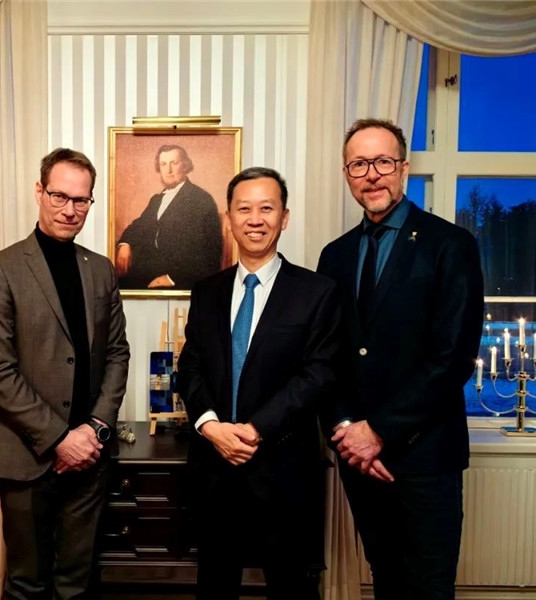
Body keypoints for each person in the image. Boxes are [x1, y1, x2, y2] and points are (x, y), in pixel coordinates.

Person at [316, 118, 484, 600]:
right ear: (347, 174)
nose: (372, 174)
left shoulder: (450, 245)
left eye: (383, 162)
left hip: (426, 458)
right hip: (361, 462)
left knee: (429, 589)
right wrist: (348, 432)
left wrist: (379, 432)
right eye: (359, 164)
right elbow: (329, 357)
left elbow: (453, 359)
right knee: (386, 582)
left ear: (404, 168)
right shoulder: (335, 256)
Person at [177, 167, 340, 600]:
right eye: (243, 208)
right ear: (228, 218)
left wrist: (254, 429)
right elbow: (190, 367)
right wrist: (211, 426)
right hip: (215, 470)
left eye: (266, 208)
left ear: (284, 217)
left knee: (291, 589)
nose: (255, 219)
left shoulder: (316, 291)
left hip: (283, 470)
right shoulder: (207, 291)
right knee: (215, 587)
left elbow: (318, 375)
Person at [0, 148, 130, 600]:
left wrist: (95, 428)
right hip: (27, 457)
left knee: (76, 585)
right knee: (27, 584)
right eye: (60, 196)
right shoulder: (1, 268)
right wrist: (61, 438)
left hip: (90, 458)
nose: (69, 209)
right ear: (39, 192)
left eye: (81, 200)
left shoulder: (100, 269)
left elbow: (117, 353)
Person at [115, 144, 223, 289]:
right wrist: (125, 244)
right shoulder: (157, 200)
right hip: (148, 271)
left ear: (185, 165)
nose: (169, 170)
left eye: (174, 163)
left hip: (182, 278)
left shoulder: (200, 199)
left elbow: (208, 252)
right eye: (163, 164)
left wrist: (172, 278)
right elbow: (139, 226)